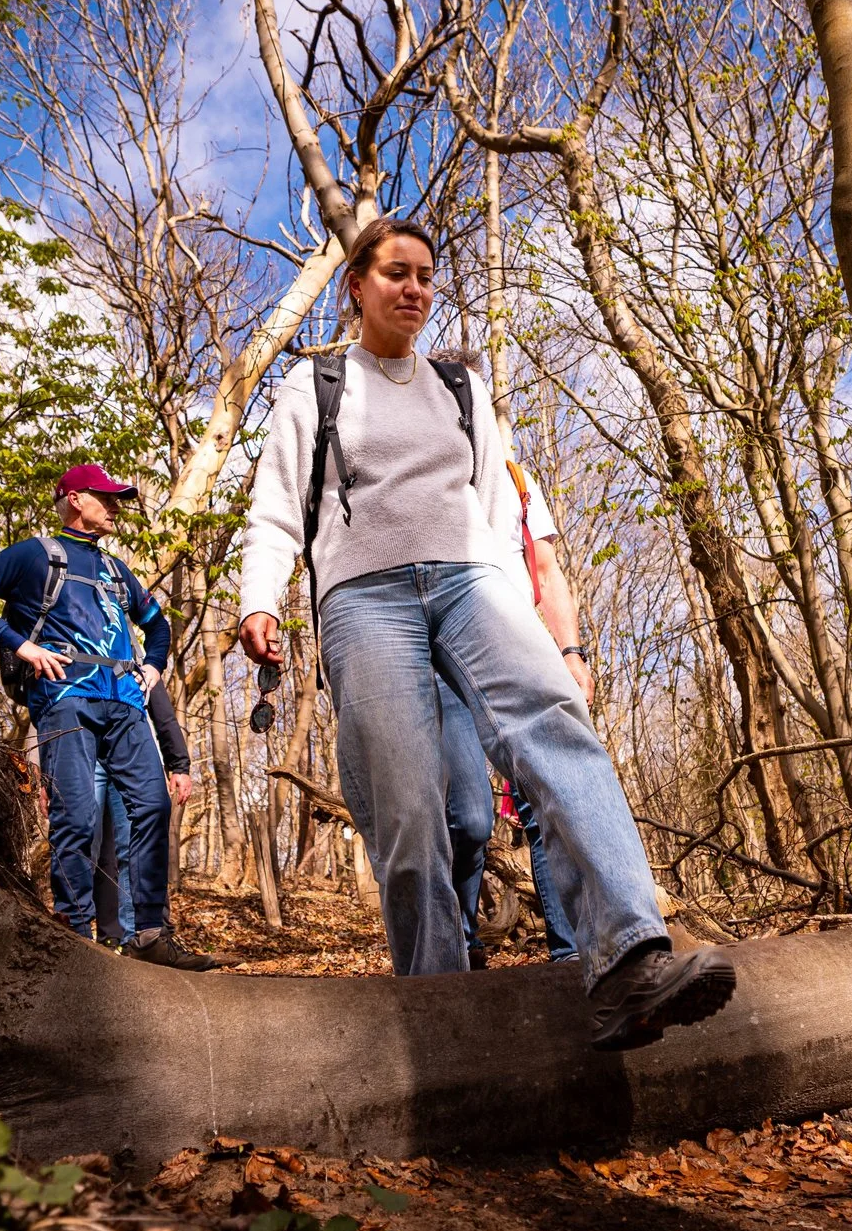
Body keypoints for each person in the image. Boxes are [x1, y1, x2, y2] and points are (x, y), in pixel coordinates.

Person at [234, 215, 733, 1050]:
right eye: (397, 272)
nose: (416, 289)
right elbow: (277, 509)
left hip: (471, 581)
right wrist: (259, 599)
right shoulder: (313, 387)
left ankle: (626, 959)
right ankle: (441, 1014)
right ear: (356, 286)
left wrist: (541, 632)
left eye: (427, 275)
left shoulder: (464, 389)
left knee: (556, 727)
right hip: (363, 596)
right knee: (406, 807)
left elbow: (498, 515)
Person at [0, 464, 215, 970]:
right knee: (78, 817)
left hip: (125, 704)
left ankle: (150, 934)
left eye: (117, 499)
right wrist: (20, 645)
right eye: (104, 497)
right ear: (73, 499)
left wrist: (153, 667)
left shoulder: (116, 569)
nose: (114, 506)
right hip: (64, 699)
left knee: (153, 805)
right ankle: (76, 936)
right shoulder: (34, 554)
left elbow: (158, 628)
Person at [427, 347, 580, 964]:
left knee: (549, 798)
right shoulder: (421, 470)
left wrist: (570, 651)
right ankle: (461, 948)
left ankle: (569, 957)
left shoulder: (518, 480)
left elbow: (547, 567)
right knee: (467, 817)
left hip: (519, 652)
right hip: (443, 658)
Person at [92, 692, 225, 966]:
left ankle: (139, 942)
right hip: (77, 740)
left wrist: (178, 763)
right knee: (85, 842)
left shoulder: (134, 651)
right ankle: (88, 939)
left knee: (134, 845)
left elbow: (159, 705)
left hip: (127, 748)